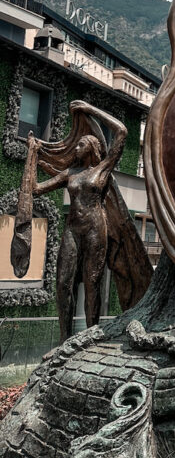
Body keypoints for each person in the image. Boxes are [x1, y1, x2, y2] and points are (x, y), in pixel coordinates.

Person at [26, 101, 130, 340]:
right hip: (72, 230)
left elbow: (122, 131)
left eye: (81, 143)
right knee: (63, 283)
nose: (76, 147)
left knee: (92, 285)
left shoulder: (102, 169)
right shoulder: (70, 174)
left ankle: (91, 337)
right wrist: (32, 154)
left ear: (92, 148)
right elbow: (35, 189)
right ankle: (64, 340)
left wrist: (90, 109)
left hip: (96, 229)